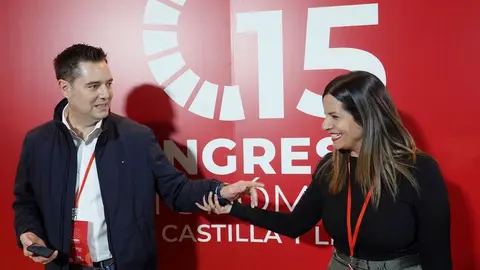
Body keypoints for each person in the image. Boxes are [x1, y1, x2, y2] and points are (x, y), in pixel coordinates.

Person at [12, 43, 263, 270]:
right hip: (62, 265)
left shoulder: (137, 137)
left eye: (108, 83)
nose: (105, 94)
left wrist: (221, 191)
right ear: (65, 87)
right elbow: (26, 201)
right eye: (93, 86)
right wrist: (28, 232)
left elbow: (176, 191)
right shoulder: (38, 141)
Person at [197, 71, 452, 270]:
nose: (324, 124)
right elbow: (296, 224)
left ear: (365, 116)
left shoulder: (419, 170)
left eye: (334, 116)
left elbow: (437, 255)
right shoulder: (331, 166)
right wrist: (233, 208)